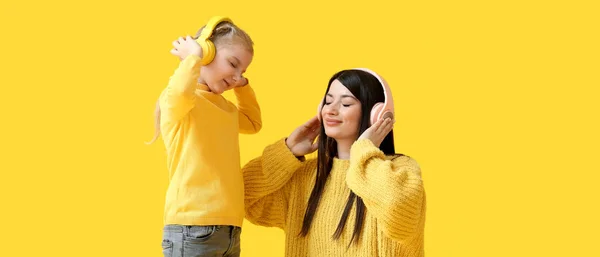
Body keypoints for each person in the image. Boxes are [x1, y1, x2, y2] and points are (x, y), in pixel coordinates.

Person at [242, 68, 425, 256]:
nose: (330, 110)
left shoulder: (401, 170)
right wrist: (287, 151)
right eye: (328, 101)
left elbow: (400, 215)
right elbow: (241, 196)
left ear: (376, 114)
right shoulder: (306, 176)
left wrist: (364, 149)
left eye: (346, 104)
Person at [147, 16, 261, 257]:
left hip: (229, 228)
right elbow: (180, 90)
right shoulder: (180, 101)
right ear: (207, 54)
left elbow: (253, 123)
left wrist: (243, 86)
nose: (237, 76)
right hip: (192, 228)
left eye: (243, 71)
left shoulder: (226, 108)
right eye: (233, 64)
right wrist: (193, 57)